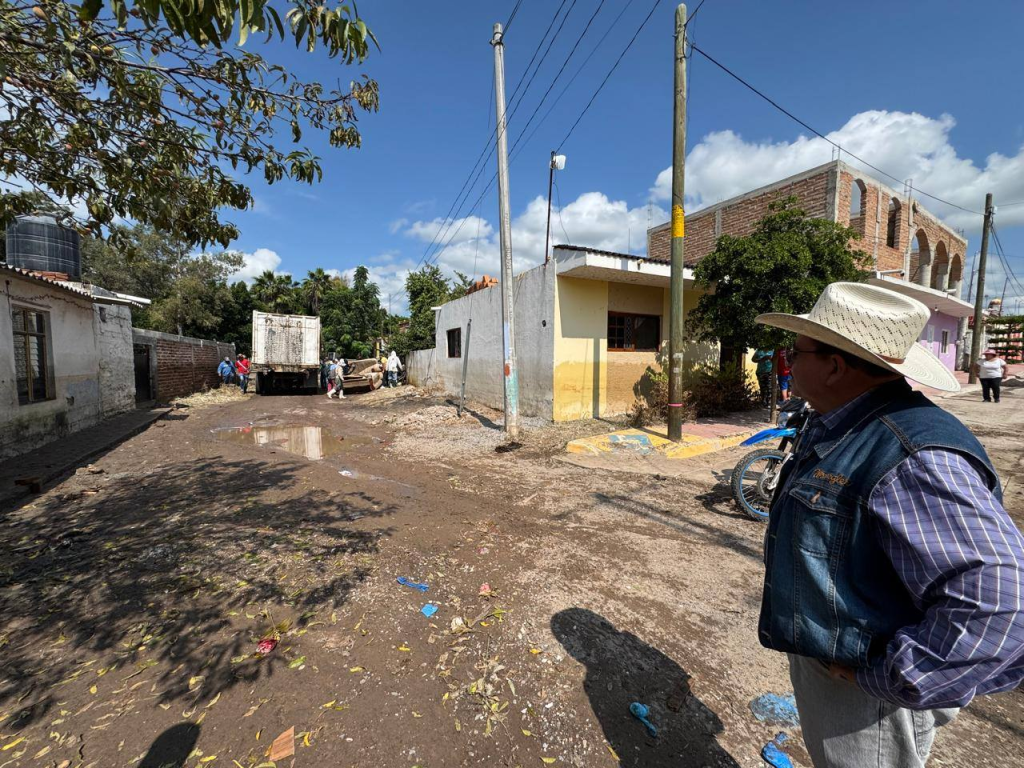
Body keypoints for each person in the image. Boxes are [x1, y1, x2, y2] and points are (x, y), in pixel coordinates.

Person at [754, 282, 1024, 768]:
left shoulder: (912, 456)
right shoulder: (843, 420)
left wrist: (885, 677)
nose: (789, 362)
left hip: (867, 692)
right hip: (847, 664)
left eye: (796, 351)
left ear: (835, 367)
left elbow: (1000, 604)